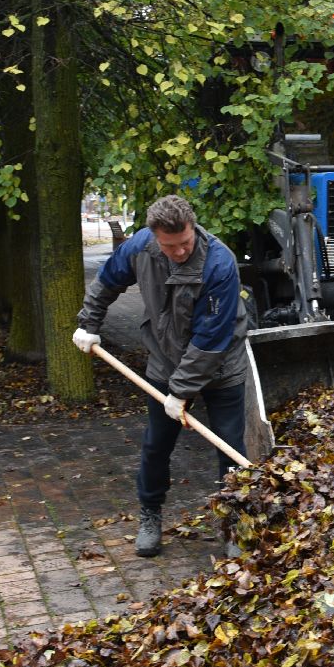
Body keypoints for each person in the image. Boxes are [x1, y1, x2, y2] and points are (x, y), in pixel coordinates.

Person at [71, 195, 250, 557]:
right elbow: (107, 281)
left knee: (229, 446)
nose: (180, 251)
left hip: (220, 365)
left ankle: (235, 524)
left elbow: (210, 339)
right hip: (165, 364)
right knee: (156, 446)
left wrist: (180, 393)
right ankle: (150, 516)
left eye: (184, 243)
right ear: (154, 238)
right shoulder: (140, 248)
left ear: (193, 228)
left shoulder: (219, 263)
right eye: (170, 246)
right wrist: (88, 324)